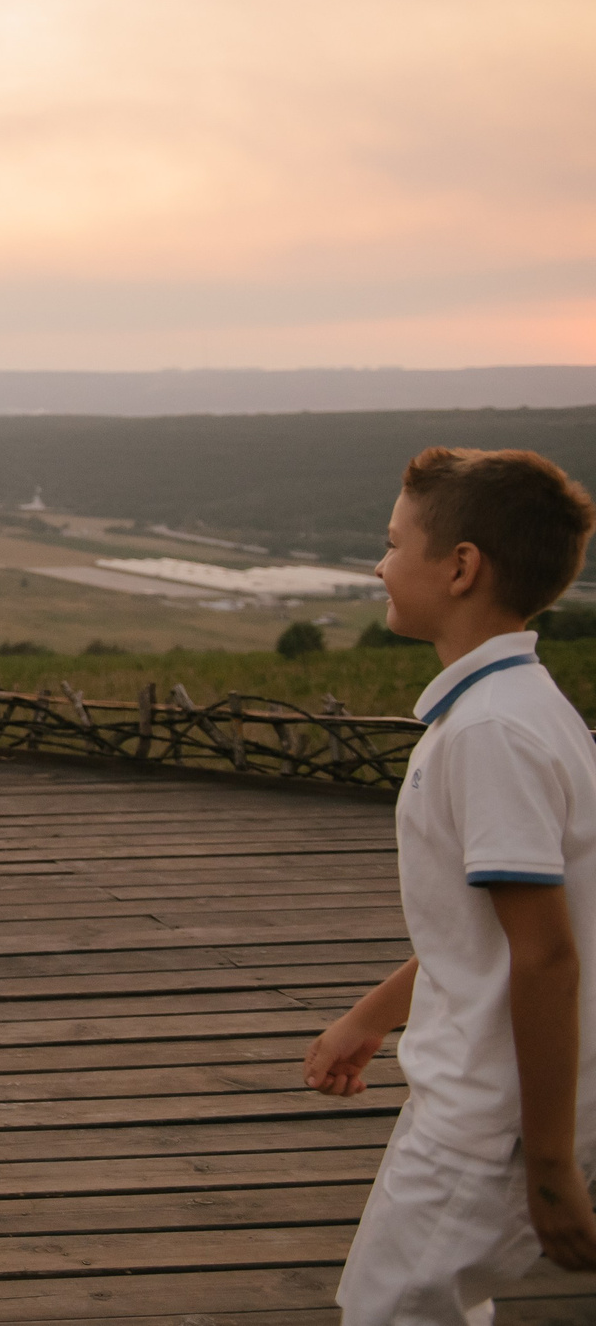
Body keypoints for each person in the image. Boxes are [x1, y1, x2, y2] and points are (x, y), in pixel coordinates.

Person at [305, 446, 596, 1323]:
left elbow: (546, 956)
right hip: (484, 1107)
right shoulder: (522, 708)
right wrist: (374, 1012)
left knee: (389, 1312)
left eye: (395, 544)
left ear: (461, 566)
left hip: (487, 1121)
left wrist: (548, 1162)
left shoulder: (490, 735)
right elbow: (489, 930)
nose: (381, 563)